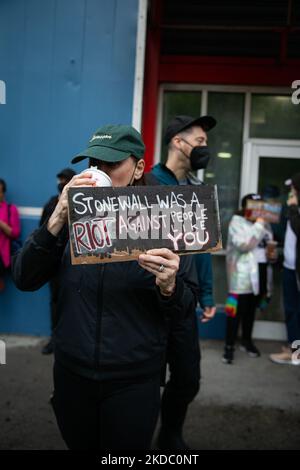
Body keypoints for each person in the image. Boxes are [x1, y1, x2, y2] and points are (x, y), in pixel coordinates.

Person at [12, 125, 199, 451]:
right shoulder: (71, 216)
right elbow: (24, 278)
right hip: (72, 373)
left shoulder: (164, 220)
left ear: (138, 168)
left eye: (111, 164)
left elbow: (185, 309)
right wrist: (56, 219)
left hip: (133, 380)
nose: (99, 172)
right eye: (94, 164)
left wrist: (169, 286)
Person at [151, 115, 217, 450]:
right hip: (147, 300)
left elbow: (204, 250)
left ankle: (170, 435)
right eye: (201, 142)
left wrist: (207, 294)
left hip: (184, 299)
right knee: (145, 378)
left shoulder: (197, 191)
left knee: (188, 378)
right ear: (179, 141)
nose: (206, 149)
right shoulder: (147, 183)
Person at [222, 193, 269, 364]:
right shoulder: (237, 221)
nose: (258, 209)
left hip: (260, 272)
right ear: (245, 207)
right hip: (239, 276)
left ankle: (247, 341)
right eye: (254, 205)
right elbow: (243, 245)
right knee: (234, 312)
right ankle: (228, 346)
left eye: (260, 206)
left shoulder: (263, 222)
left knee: (251, 310)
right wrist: (259, 225)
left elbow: (266, 244)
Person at [40, 168, 76, 355]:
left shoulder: (81, 202)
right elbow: (42, 232)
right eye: (59, 179)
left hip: (76, 263)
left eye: (65, 179)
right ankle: (56, 339)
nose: (61, 182)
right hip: (55, 263)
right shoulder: (52, 204)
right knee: (55, 302)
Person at [270, 173, 300, 365]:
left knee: (296, 312)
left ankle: (295, 354)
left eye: (293, 189)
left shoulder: (295, 210)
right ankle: (293, 348)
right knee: (292, 310)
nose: (290, 193)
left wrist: (294, 208)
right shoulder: (293, 211)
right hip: (290, 268)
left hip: (296, 272)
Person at [0, 178, 21, 291]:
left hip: (2, 256)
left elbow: (15, 233)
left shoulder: (10, 209)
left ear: (3, 193)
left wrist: (2, 225)